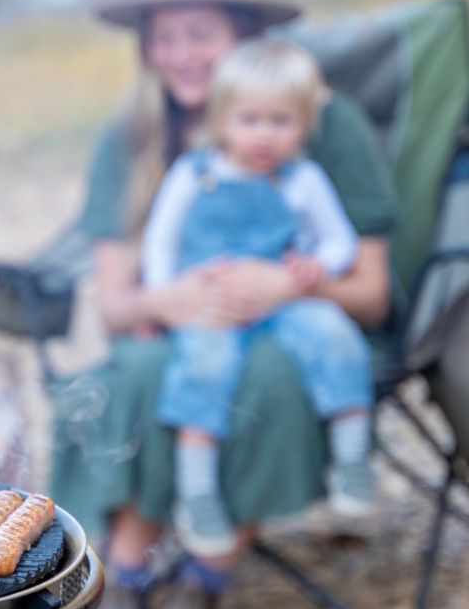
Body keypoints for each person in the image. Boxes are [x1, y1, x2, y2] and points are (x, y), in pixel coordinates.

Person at [48, 0, 397, 609]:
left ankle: (206, 579)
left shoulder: (324, 127)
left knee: (262, 376)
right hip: (183, 323)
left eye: (200, 33)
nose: (181, 55)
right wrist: (167, 298)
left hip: (299, 321)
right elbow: (115, 308)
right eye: (165, 37)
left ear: (246, 38)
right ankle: (126, 568)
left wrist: (295, 283)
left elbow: (371, 293)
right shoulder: (136, 136)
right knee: (137, 371)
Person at [142, 39, 375, 557]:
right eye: (250, 120)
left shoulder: (303, 180)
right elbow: (161, 239)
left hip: (282, 298)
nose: (265, 134)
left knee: (335, 335)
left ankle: (352, 461)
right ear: (221, 120)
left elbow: (340, 240)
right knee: (204, 367)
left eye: (282, 120)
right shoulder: (193, 174)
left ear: (305, 124)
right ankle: (197, 491)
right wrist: (163, 297)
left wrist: (319, 266)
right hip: (214, 303)